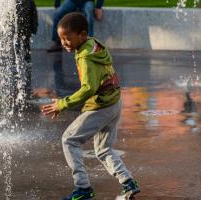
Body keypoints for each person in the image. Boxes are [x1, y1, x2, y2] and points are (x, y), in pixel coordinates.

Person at [41, 12, 140, 200]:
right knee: (103, 149)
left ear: (82, 35)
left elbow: (88, 88)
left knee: (69, 140)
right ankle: (128, 182)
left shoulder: (85, 56)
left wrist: (62, 104)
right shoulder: (93, 45)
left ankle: (83, 188)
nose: (64, 43)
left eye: (67, 38)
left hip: (101, 106)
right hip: (114, 102)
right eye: (61, 39)